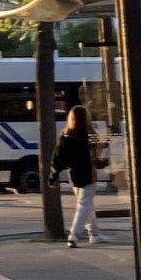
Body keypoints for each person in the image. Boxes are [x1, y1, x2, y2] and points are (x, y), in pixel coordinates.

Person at [53, 104, 99, 246]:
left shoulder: (65, 135)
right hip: (88, 172)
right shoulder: (88, 136)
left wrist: (53, 174)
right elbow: (95, 156)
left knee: (86, 204)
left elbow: (58, 158)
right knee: (84, 204)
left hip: (73, 173)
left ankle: (94, 234)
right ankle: (74, 234)